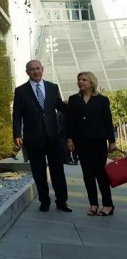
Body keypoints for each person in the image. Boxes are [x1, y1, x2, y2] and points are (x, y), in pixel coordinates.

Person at [13, 60, 72, 212]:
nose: (35, 71)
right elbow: (17, 115)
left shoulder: (52, 87)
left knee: (57, 171)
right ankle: (44, 201)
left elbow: (60, 106)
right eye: (32, 69)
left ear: (42, 69)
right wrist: (17, 133)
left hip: (53, 137)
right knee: (39, 172)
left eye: (38, 68)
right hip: (33, 138)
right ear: (27, 72)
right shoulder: (20, 91)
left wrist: (79, 107)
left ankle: (62, 201)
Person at [66, 71, 117, 216]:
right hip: (81, 143)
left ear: (91, 82)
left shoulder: (102, 100)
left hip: (98, 141)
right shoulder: (73, 100)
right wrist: (69, 139)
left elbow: (108, 121)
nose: (81, 82)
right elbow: (70, 122)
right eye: (79, 79)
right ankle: (93, 204)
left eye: (84, 79)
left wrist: (112, 141)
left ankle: (108, 204)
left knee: (100, 173)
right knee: (87, 174)